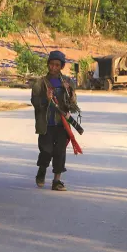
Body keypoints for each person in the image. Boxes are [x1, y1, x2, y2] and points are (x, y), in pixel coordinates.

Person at [31, 50, 80, 191]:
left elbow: (73, 105)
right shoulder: (40, 83)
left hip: (62, 124)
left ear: (62, 67)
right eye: (51, 64)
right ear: (48, 64)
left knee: (59, 152)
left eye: (57, 65)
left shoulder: (68, 82)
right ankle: (41, 172)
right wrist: (46, 99)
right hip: (46, 124)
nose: (54, 68)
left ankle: (57, 181)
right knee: (46, 151)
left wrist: (69, 92)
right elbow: (35, 102)